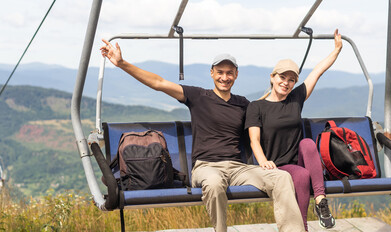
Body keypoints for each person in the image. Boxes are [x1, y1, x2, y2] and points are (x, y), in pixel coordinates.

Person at [100, 39, 305, 232]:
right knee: (215, 185)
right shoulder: (198, 96)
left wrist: (291, 97)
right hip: (206, 167)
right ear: (211, 73)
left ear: (236, 74)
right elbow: (159, 82)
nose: (225, 77)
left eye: (229, 73)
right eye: (220, 72)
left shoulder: (243, 104)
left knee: (281, 177)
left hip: (237, 169)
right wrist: (121, 63)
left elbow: (268, 110)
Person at [245, 29, 343, 230]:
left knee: (307, 143)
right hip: (275, 167)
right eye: (282, 77)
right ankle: (302, 227)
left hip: (296, 161)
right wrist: (263, 162)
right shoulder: (257, 106)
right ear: (272, 77)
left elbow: (318, 71)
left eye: (291, 79)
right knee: (300, 175)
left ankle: (320, 201)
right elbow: (254, 140)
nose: (286, 83)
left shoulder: (296, 99)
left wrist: (337, 49)